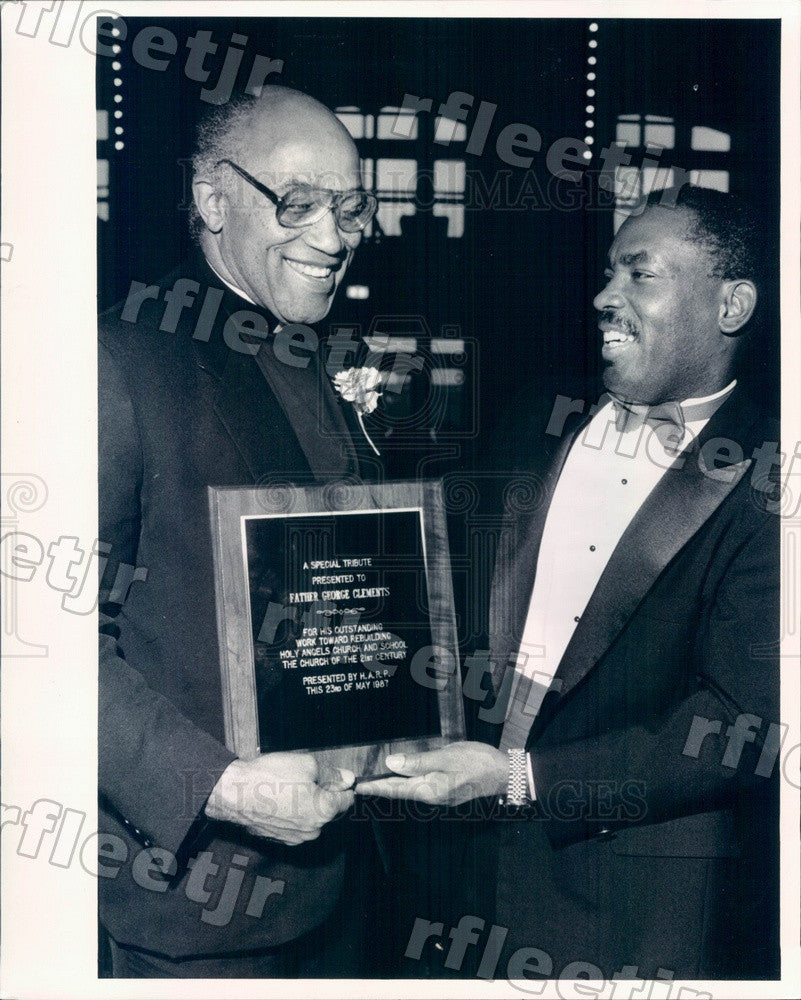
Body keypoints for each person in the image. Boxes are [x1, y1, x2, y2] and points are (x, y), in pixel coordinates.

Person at [357, 186, 780, 979]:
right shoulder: (534, 417)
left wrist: (524, 779)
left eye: (638, 275)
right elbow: (429, 575)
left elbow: (740, 725)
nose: (602, 297)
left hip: (629, 901)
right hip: (461, 869)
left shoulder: (771, 481)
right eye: (606, 272)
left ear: (731, 304)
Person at [98, 86, 382, 977]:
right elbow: (36, 648)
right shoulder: (118, 362)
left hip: (351, 890)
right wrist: (219, 785)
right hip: (200, 909)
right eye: (295, 203)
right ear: (214, 198)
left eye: (350, 207)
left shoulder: (326, 357)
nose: (331, 238)